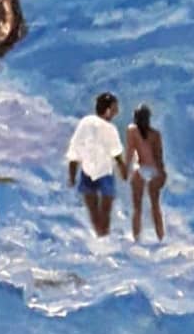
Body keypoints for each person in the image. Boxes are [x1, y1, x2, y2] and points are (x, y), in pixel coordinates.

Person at [66, 92, 127, 238]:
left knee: (93, 209)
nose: (116, 111)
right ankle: (103, 236)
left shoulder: (85, 122)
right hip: (104, 172)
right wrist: (123, 168)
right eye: (114, 108)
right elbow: (116, 153)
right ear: (108, 110)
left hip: (87, 170)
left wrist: (72, 174)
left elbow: (74, 149)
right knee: (105, 209)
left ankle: (100, 236)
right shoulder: (110, 129)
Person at [126, 103, 167, 242]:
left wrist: (126, 169)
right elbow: (159, 157)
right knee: (155, 205)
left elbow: (130, 153)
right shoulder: (155, 135)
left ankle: (136, 237)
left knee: (137, 206)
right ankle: (160, 236)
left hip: (141, 168)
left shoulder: (132, 131)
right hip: (153, 169)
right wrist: (162, 173)